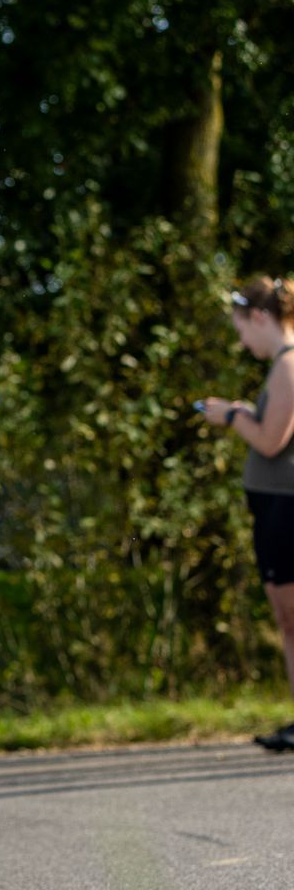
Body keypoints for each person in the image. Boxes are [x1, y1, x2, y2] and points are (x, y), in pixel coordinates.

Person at [203, 275, 294, 751]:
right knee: (287, 621)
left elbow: (270, 440)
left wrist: (232, 417)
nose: (241, 340)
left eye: (241, 329)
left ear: (260, 317)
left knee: (291, 618)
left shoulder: (287, 366)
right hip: (276, 507)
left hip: (286, 509)